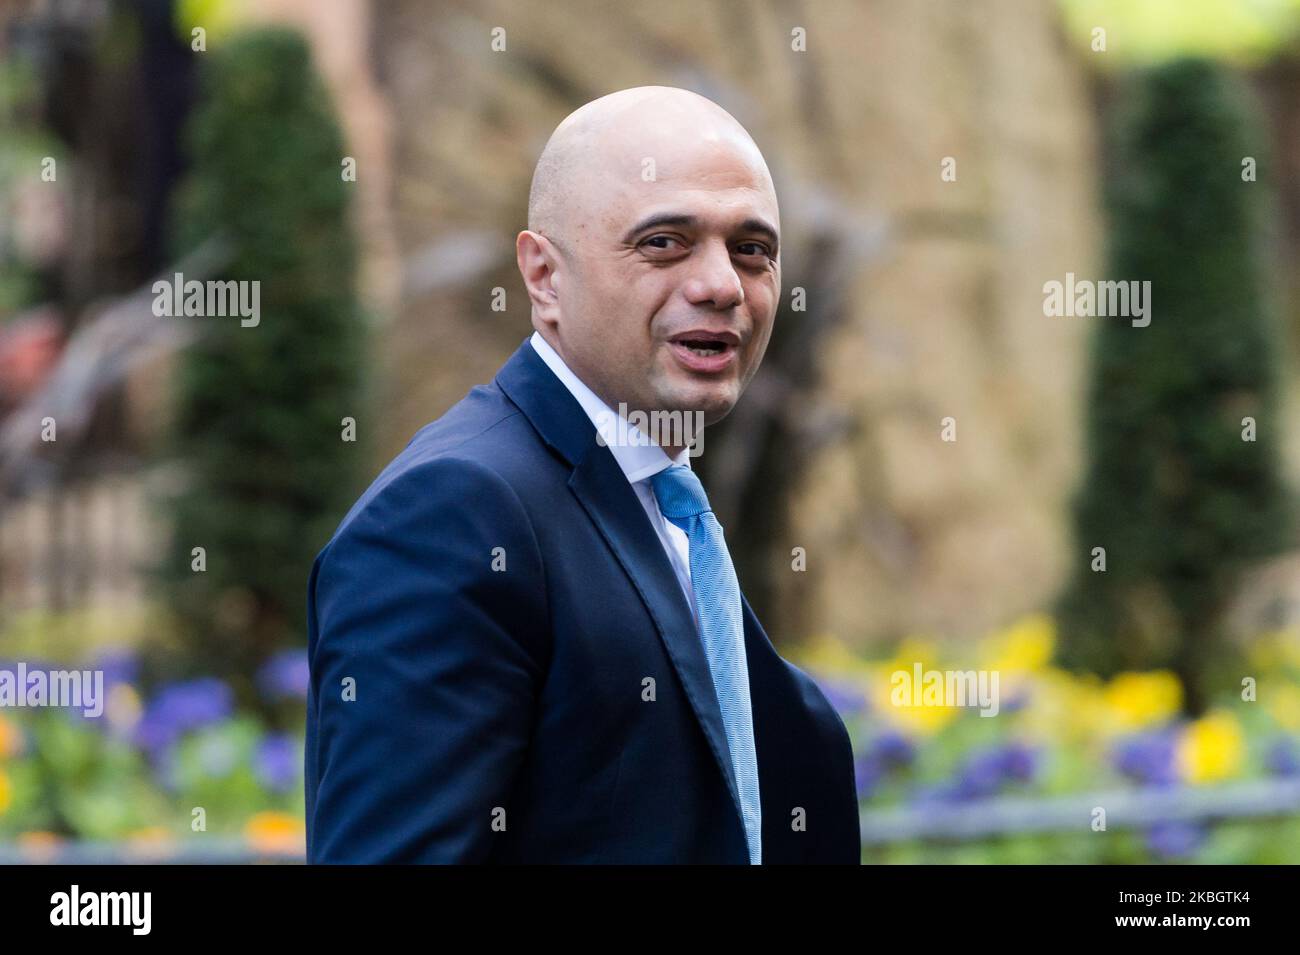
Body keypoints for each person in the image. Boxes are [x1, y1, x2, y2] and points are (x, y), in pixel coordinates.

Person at [305, 86, 859, 863]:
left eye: (751, 248)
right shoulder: (452, 514)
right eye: (665, 241)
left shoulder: (664, 506)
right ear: (543, 276)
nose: (722, 284)